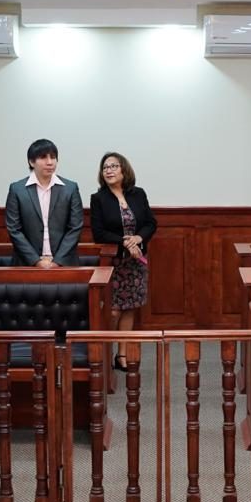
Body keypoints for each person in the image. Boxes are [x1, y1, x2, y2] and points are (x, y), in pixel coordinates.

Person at [90, 152, 157, 371]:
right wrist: (126, 242)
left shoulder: (138, 194)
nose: (108, 170)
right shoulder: (98, 198)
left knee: (130, 308)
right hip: (114, 263)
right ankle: (104, 352)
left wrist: (138, 238)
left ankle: (122, 355)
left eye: (113, 166)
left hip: (136, 262)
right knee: (113, 311)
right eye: (105, 167)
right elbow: (99, 233)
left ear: (124, 169)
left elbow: (150, 223)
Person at [5, 139, 84, 267]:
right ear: (31, 162)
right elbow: (14, 229)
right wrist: (36, 261)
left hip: (64, 263)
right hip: (27, 264)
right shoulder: (17, 189)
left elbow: (75, 227)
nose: (49, 162)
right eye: (43, 157)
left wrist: (57, 261)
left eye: (53, 157)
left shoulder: (70, 188)